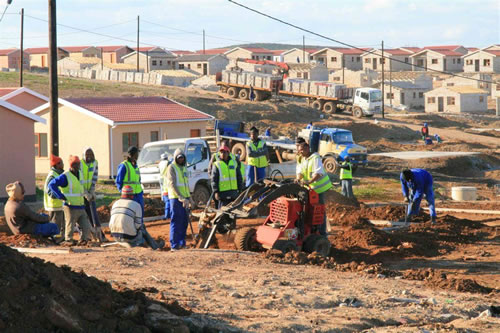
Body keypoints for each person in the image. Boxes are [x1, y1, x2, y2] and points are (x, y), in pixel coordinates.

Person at [48, 156, 93, 245]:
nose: (78, 165)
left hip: (80, 205)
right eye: (76, 164)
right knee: (70, 225)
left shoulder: (80, 173)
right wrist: (60, 196)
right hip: (70, 206)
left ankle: (84, 240)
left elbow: (80, 188)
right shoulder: (66, 176)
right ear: (72, 165)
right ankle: (69, 240)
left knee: (86, 225)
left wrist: (87, 195)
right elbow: (52, 184)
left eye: (79, 163)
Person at [109, 186, 164, 250]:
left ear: (122, 194)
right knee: (142, 227)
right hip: (128, 237)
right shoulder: (136, 205)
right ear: (132, 195)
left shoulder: (115, 203)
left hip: (115, 235)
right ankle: (155, 246)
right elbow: (138, 225)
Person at [296, 142, 333, 235]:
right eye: (299, 151)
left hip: (319, 188)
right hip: (310, 189)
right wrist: (298, 178)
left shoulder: (315, 158)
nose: (300, 152)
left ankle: (322, 232)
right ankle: (310, 230)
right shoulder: (303, 159)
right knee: (307, 209)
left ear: (307, 148)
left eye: (302, 150)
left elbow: (318, 173)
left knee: (319, 210)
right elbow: (301, 172)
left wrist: (309, 182)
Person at [167, 148, 193, 251]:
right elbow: (172, 184)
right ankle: (174, 245)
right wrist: (181, 198)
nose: (181, 159)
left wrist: (189, 198)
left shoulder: (184, 168)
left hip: (185, 199)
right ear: (175, 158)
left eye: (182, 157)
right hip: (176, 199)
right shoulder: (172, 168)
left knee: (184, 222)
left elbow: (186, 184)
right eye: (179, 158)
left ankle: (182, 243)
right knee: (176, 221)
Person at [80, 147, 103, 241]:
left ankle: (99, 235)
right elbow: (79, 180)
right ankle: (87, 236)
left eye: (91, 154)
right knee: (84, 215)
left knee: (93, 213)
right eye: (87, 154)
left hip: (90, 191)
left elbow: (94, 177)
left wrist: (92, 191)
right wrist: (85, 193)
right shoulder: (80, 164)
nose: (89, 156)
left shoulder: (95, 163)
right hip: (81, 194)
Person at [116, 146, 143, 216]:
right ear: (133, 154)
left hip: (138, 194)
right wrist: (123, 193)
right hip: (129, 195)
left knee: (139, 213)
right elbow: (118, 181)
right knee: (131, 214)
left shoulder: (136, 166)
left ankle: (140, 226)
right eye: (137, 153)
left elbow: (138, 180)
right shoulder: (124, 165)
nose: (138, 155)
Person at [44, 154, 65, 238]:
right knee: (55, 225)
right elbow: (49, 191)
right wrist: (59, 196)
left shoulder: (56, 174)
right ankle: (54, 239)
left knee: (59, 224)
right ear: (57, 164)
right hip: (54, 205)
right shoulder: (52, 175)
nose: (63, 165)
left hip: (58, 205)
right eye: (62, 163)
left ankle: (59, 239)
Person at [159, 153, 171, 219]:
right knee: (168, 200)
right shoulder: (168, 163)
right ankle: (168, 215)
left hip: (161, 179)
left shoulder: (160, 163)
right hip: (167, 179)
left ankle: (167, 214)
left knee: (164, 194)